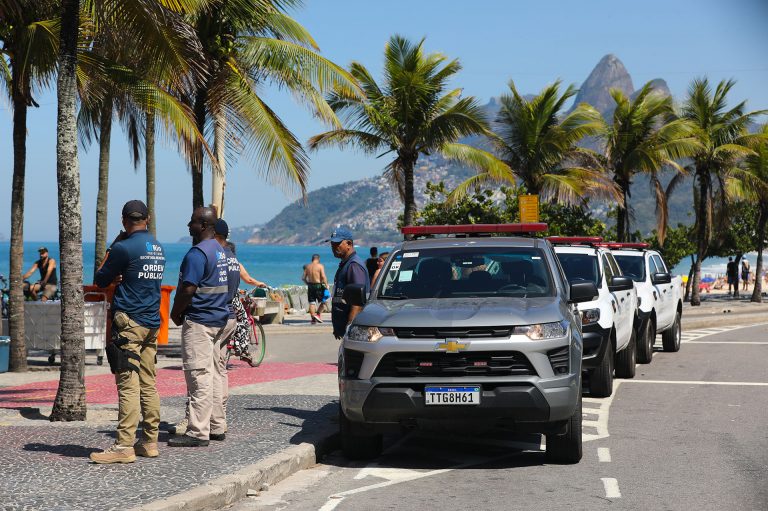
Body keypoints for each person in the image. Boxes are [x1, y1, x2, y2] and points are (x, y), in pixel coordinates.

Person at [90, 200, 165, 464]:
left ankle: (123, 445)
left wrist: (115, 249)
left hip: (129, 324)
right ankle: (150, 441)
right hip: (151, 323)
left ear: (124, 221)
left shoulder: (122, 248)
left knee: (128, 384)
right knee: (148, 382)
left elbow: (99, 279)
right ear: (148, 218)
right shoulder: (157, 248)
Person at [169, 219, 240, 438]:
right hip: (221, 316)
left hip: (203, 319)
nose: (187, 224)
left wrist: (175, 312)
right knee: (215, 372)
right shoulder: (224, 253)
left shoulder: (199, 253)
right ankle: (217, 424)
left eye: (192, 220)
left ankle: (198, 430)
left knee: (200, 375)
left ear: (202, 225)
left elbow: (188, 288)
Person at [327, 227, 369, 339]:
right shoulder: (345, 264)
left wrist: (349, 327)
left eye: (337, 244)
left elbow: (357, 302)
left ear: (349, 244)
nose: (333, 247)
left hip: (351, 331)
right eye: (332, 244)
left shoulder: (354, 266)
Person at [303, 254, 328, 323]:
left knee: (312, 303)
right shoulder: (320, 266)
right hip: (318, 286)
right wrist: (326, 285)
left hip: (310, 286)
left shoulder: (308, 266)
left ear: (312, 259)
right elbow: (323, 276)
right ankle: (318, 315)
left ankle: (313, 318)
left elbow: (303, 278)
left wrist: (308, 283)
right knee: (324, 301)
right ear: (318, 259)